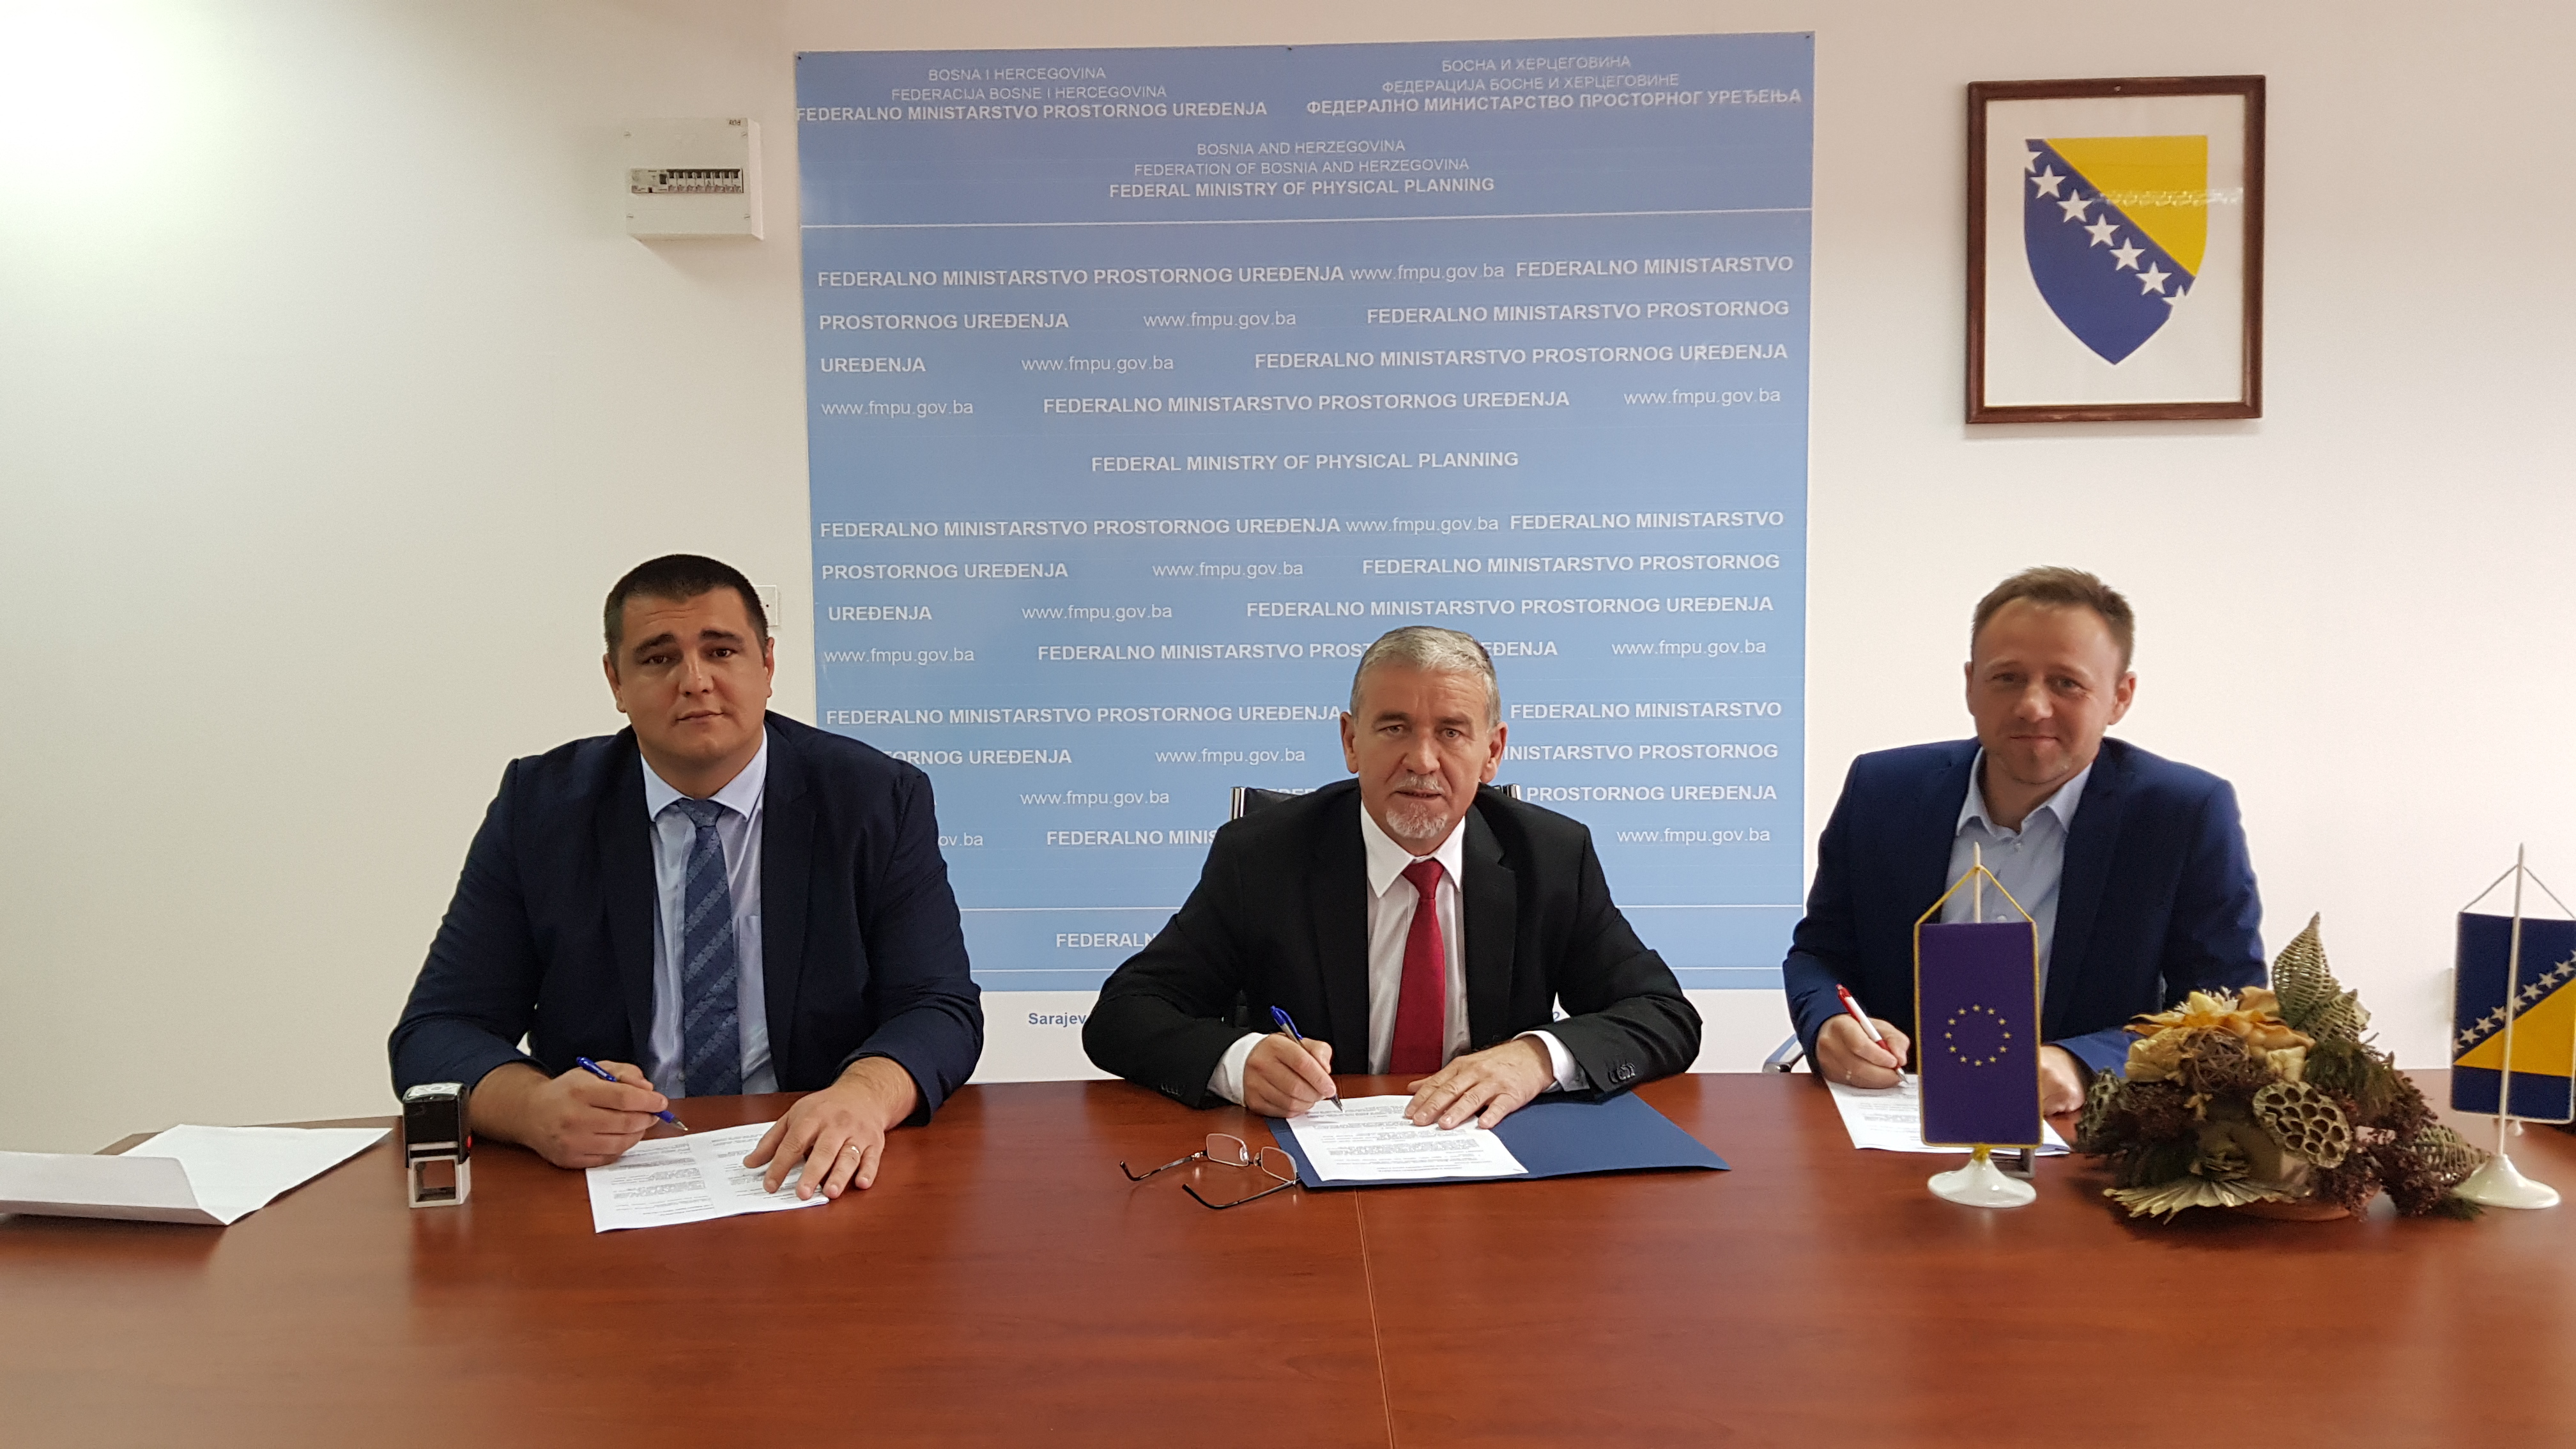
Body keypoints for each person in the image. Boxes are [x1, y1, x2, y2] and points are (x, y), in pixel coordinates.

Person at [390, 555, 982, 1199]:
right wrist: (533, 1107)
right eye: (658, 658)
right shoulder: (540, 809)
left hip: (809, 1169)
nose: (695, 681)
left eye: (722, 651)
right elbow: (437, 1032)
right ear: (616, 682)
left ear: (768, 666)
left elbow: (938, 1006)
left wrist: (863, 1095)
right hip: (614, 1176)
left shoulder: (874, 800)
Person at [1084, 626, 1701, 1127]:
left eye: (1451, 732)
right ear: (1352, 741)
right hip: (1316, 1170)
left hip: (1491, 1158)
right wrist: (1237, 1062)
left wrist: (1536, 1058)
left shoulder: (1551, 855)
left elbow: (1663, 1013)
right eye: (1395, 727)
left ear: (1492, 752)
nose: (1422, 760)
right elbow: (1125, 1013)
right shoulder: (1263, 857)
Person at [1782, 566, 2263, 1115]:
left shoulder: (2183, 814)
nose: (2033, 706)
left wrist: (2083, 1063)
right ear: (1970, 684)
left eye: (2067, 683)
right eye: (2007, 677)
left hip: (2081, 1132)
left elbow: (2228, 1010)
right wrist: (1829, 1022)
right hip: (1895, 1118)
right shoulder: (1882, 792)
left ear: (2120, 697)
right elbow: (1820, 955)